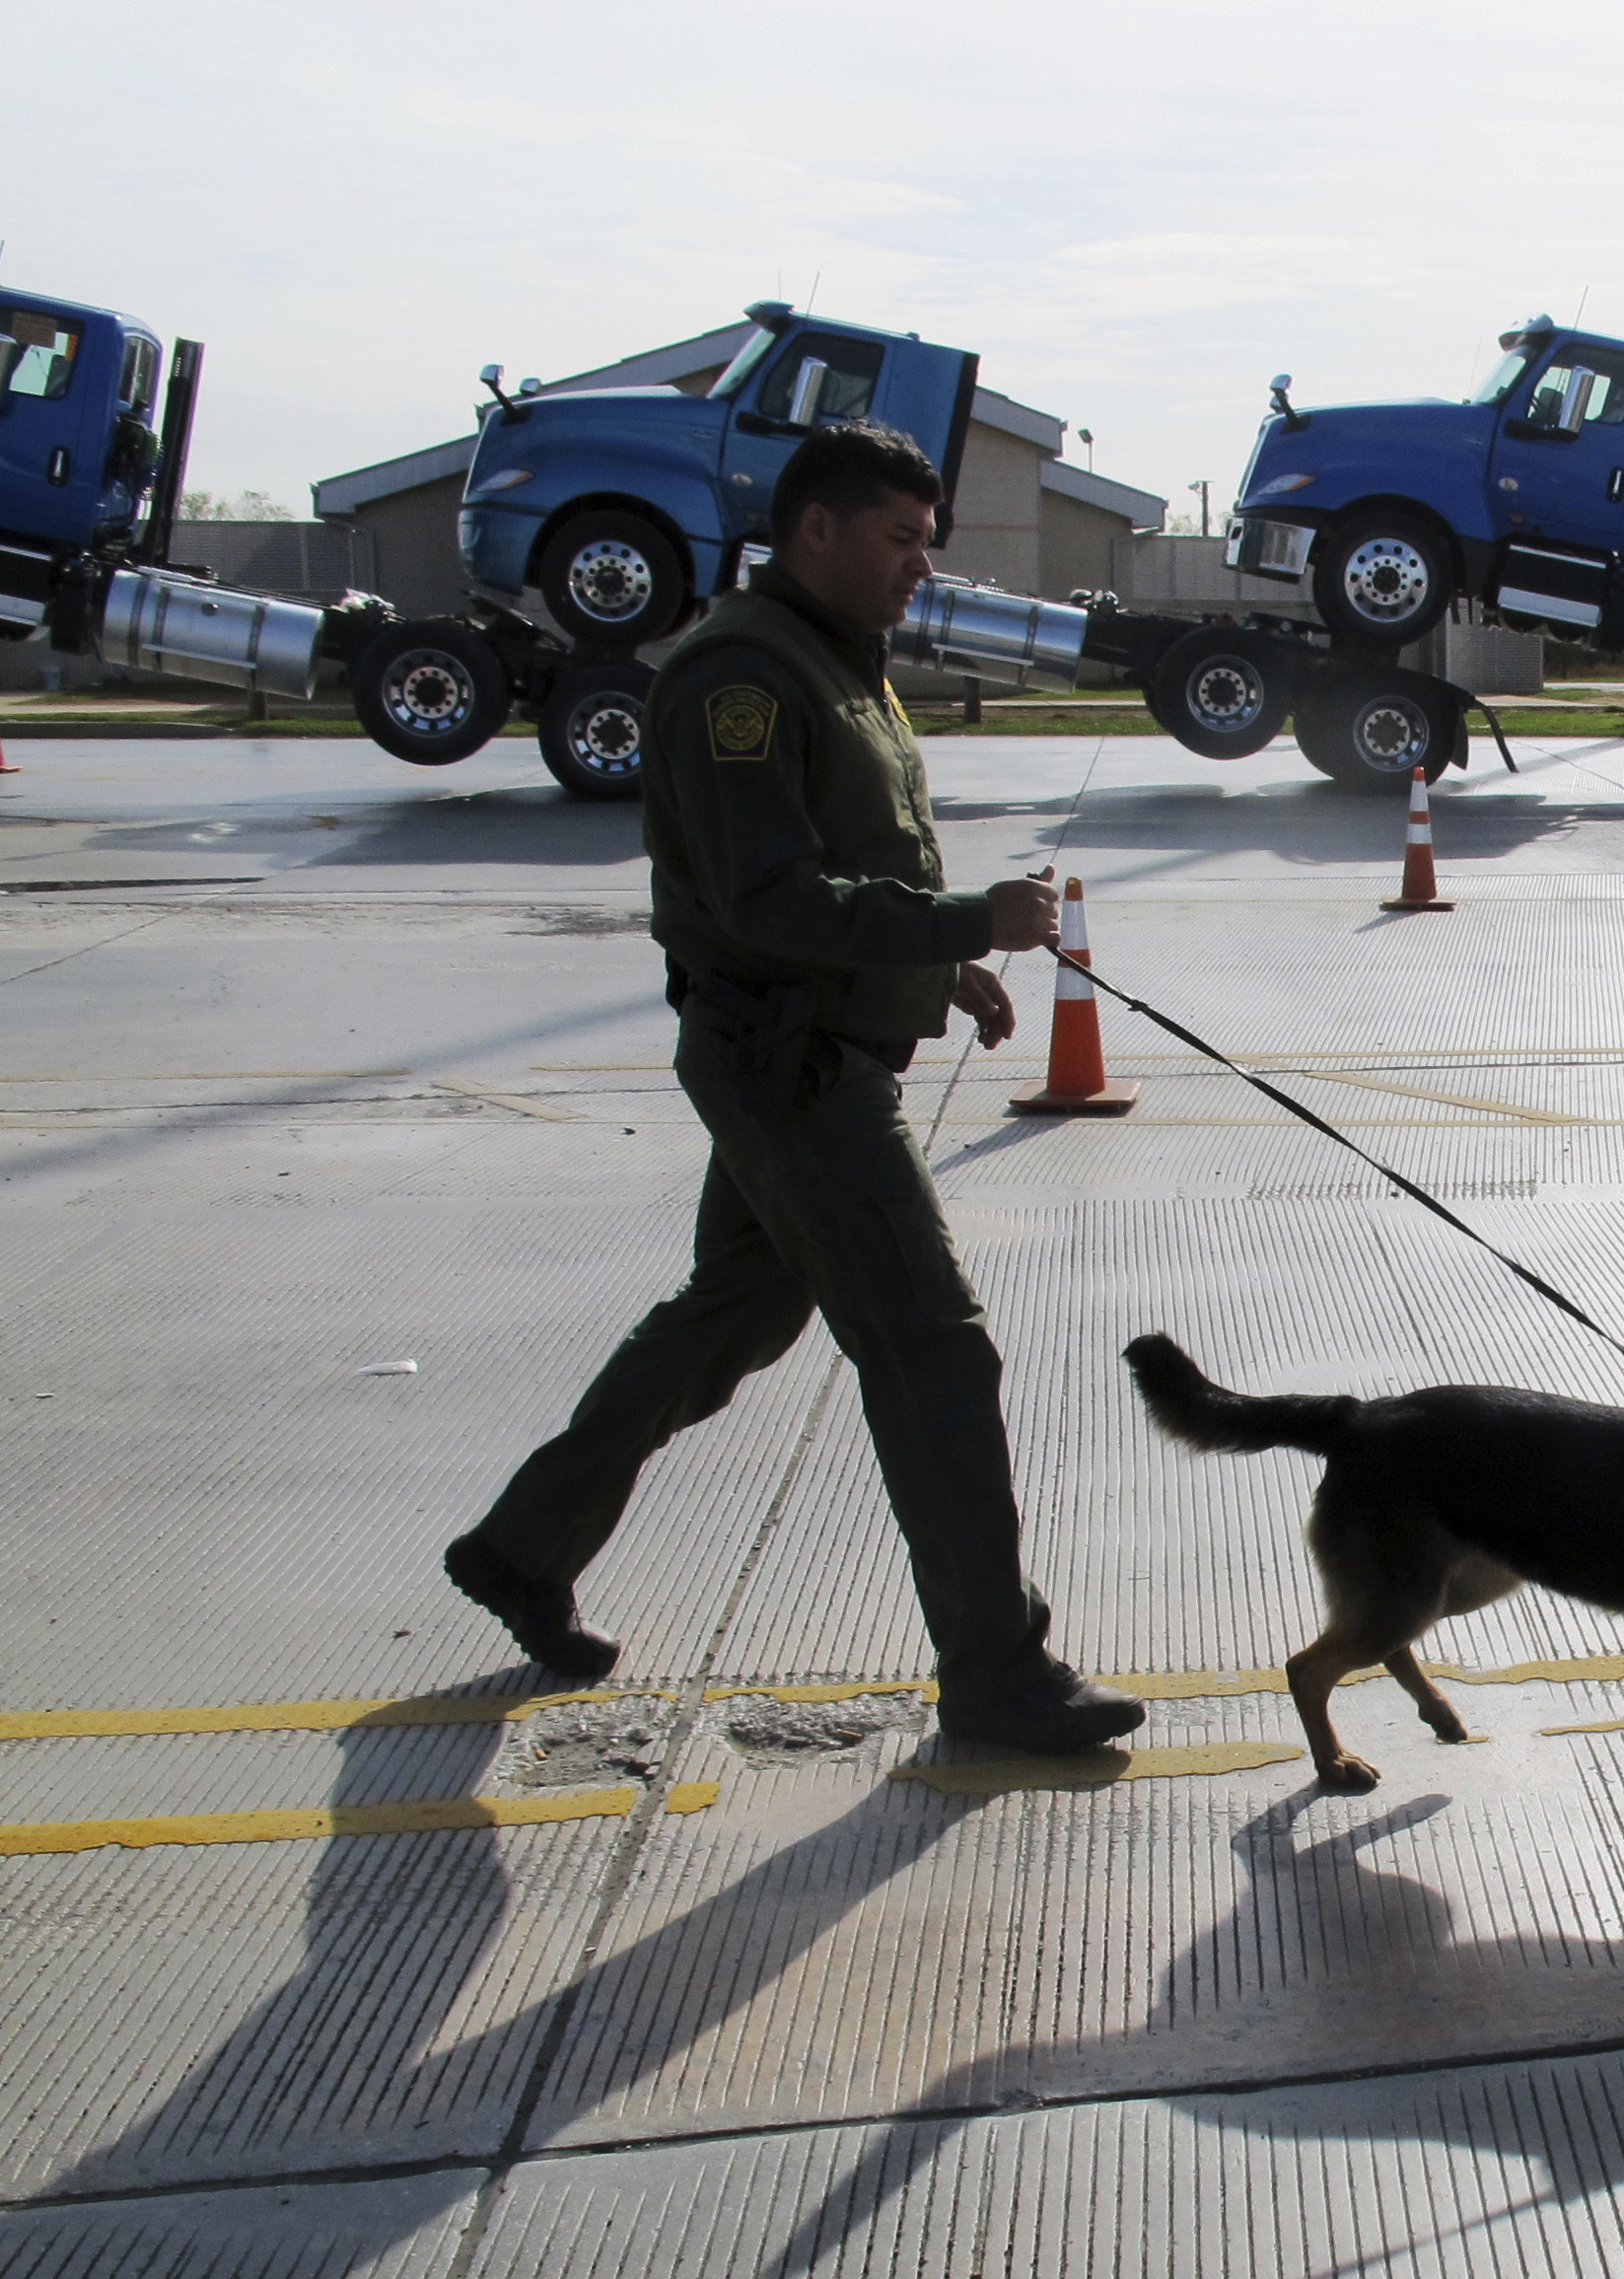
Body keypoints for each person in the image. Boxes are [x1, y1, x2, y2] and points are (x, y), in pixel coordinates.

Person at [444, 420, 1144, 1755]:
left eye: (925, 546)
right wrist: (960, 926)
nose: (916, 572)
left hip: (815, 1039)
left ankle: (521, 1548)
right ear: (813, 530)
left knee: (723, 1326)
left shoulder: (834, 664)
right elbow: (766, 898)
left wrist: (940, 979)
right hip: (794, 1069)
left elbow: (840, 863)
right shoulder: (739, 681)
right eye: (897, 542)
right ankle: (998, 1673)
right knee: (933, 1348)